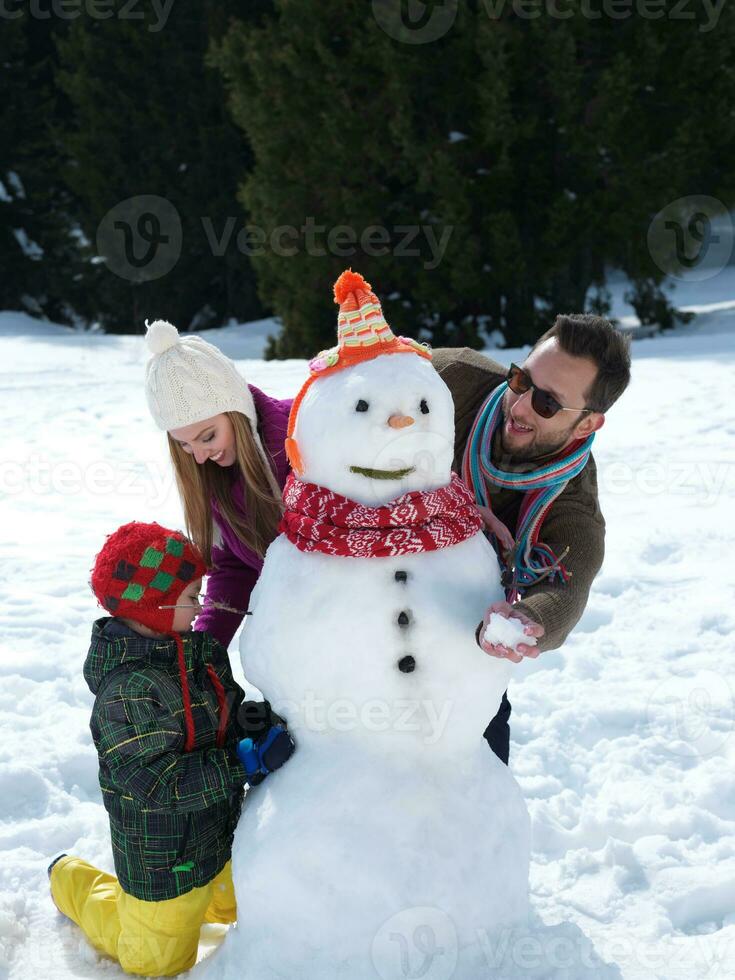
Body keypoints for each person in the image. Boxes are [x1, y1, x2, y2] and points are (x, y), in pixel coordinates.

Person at [49, 520, 293, 976]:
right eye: (189, 597)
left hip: (219, 834)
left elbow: (225, 710)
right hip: (164, 864)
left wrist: (252, 723)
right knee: (154, 963)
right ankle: (73, 882)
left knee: (250, 902)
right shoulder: (127, 693)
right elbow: (155, 784)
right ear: (151, 607)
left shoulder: (198, 652)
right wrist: (242, 761)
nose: (200, 604)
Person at [432, 313, 632, 764]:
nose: (519, 405)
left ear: (586, 425)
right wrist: (448, 504)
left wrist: (523, 620)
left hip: (457, 657)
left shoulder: (572, 501)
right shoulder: (450, 378)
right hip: (357, 623)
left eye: (546, 403)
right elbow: (335, 414)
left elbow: (565, 588)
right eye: (521, 379)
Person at [143, 319, 292, 649]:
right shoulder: (212, 477)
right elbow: (234, 569)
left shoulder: (307, 437)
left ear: (237, 412)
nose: (198, 457)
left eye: (207, 436)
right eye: (184, 444)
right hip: (297, 634)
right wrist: (205, 651)